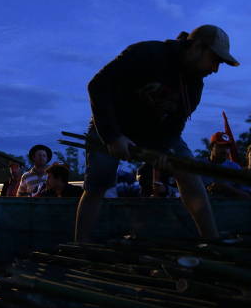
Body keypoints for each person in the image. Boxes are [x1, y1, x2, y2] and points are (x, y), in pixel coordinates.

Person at [76, 25, 240, 242]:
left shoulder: (194, 85)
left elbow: (175, 124)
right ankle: (80, 243)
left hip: (154, 134)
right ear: (198, 47)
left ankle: (211, 239)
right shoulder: (147, 53)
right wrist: (112, 136)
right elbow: (98, 86)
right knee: (98, 183)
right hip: (110, 124)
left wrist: (163, 150)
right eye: (215, 60)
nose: (215, 69)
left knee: (188, 170)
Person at [205, 132, 251, 198]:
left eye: (227, 147)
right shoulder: (198, 165)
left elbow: (247, 196)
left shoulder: (235, 168)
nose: (225, 150)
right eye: (221, 146)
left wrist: (227, 188)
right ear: (211, 147)